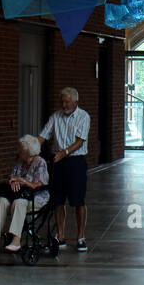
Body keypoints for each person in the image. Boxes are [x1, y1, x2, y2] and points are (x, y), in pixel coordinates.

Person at [39, 86, 91, 251]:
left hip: (76, 162)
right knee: (58, 200)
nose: (64, 104)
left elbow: (80, 141)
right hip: (58, 162)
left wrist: (64, 152)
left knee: (78, 201)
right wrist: (30, 147)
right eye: (62, 101)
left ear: (76, 102)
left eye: (67, 101)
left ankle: (80, 237)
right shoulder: (56, 116)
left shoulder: (83, 117)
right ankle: (60, 236)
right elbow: (43, 135)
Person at [0, 135, 50, 252]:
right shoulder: (20, 162)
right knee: (1, 201)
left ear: (27, 151)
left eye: (20, 149)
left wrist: (23, 181)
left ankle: (16, 240)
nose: (18, 151)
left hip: (35, 197)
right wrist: (13, 181)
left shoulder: (40, 163)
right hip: (18, 194)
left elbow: (38, 185)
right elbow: (12, 177)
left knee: (19, 203)